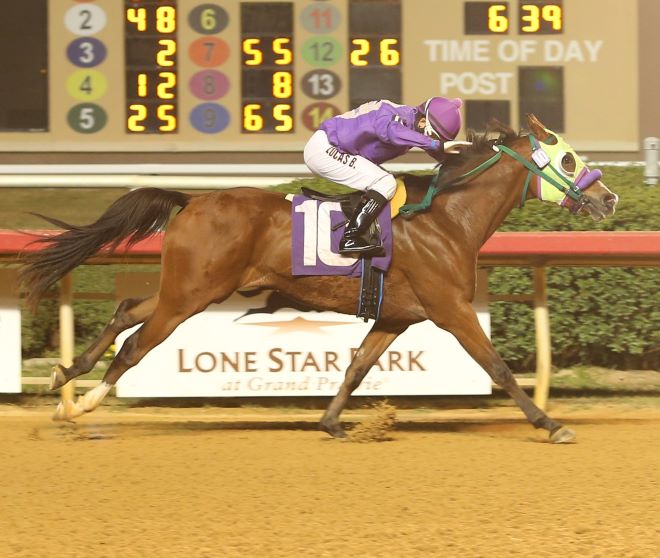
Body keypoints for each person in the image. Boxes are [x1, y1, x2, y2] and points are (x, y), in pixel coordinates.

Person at [303, 97, 469, 256]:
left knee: (387, 181)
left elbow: (439, 153)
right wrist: (435, 144)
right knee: (385, 183)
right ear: (422, 122)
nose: (429, 141)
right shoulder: (392, 115)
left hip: (338, 149)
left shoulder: (412, 123)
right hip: (326, 149)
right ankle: (350, 237)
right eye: (431, 136)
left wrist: (470, 159)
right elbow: (392, 132)